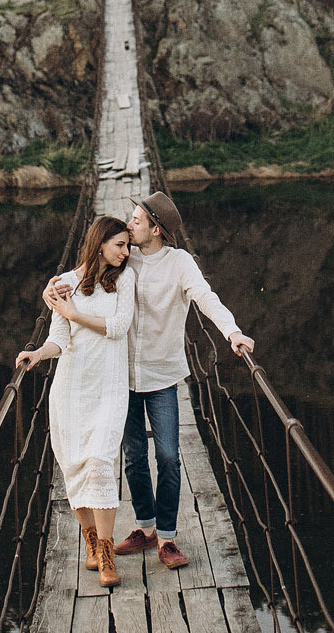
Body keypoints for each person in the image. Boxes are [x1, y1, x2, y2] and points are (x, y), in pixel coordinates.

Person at [57, 190, 254, 572]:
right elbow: (83, 273)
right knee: (133, 457)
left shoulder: (180, 263)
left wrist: (232, 332)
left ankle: (166, 537)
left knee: (167, 456)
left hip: (163, 376)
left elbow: (206, 298)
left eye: (137, 220)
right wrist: (54, 288)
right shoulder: (123, 258)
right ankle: (145, 528)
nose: (129, 224)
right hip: (121, 377)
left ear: (156, 229)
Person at [15, 215, 134, 588]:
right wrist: (37, 354)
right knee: (74, 466)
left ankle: (107, 554)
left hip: (109, 387)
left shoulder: (125, 280)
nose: (125, 252)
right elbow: (59, 338)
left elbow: (119, 328)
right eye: (120, 245)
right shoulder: (64, 283)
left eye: (128, 245)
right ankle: (92, 542)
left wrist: (73, 313)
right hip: (71, 388)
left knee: (99, 462)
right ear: (100, 244)